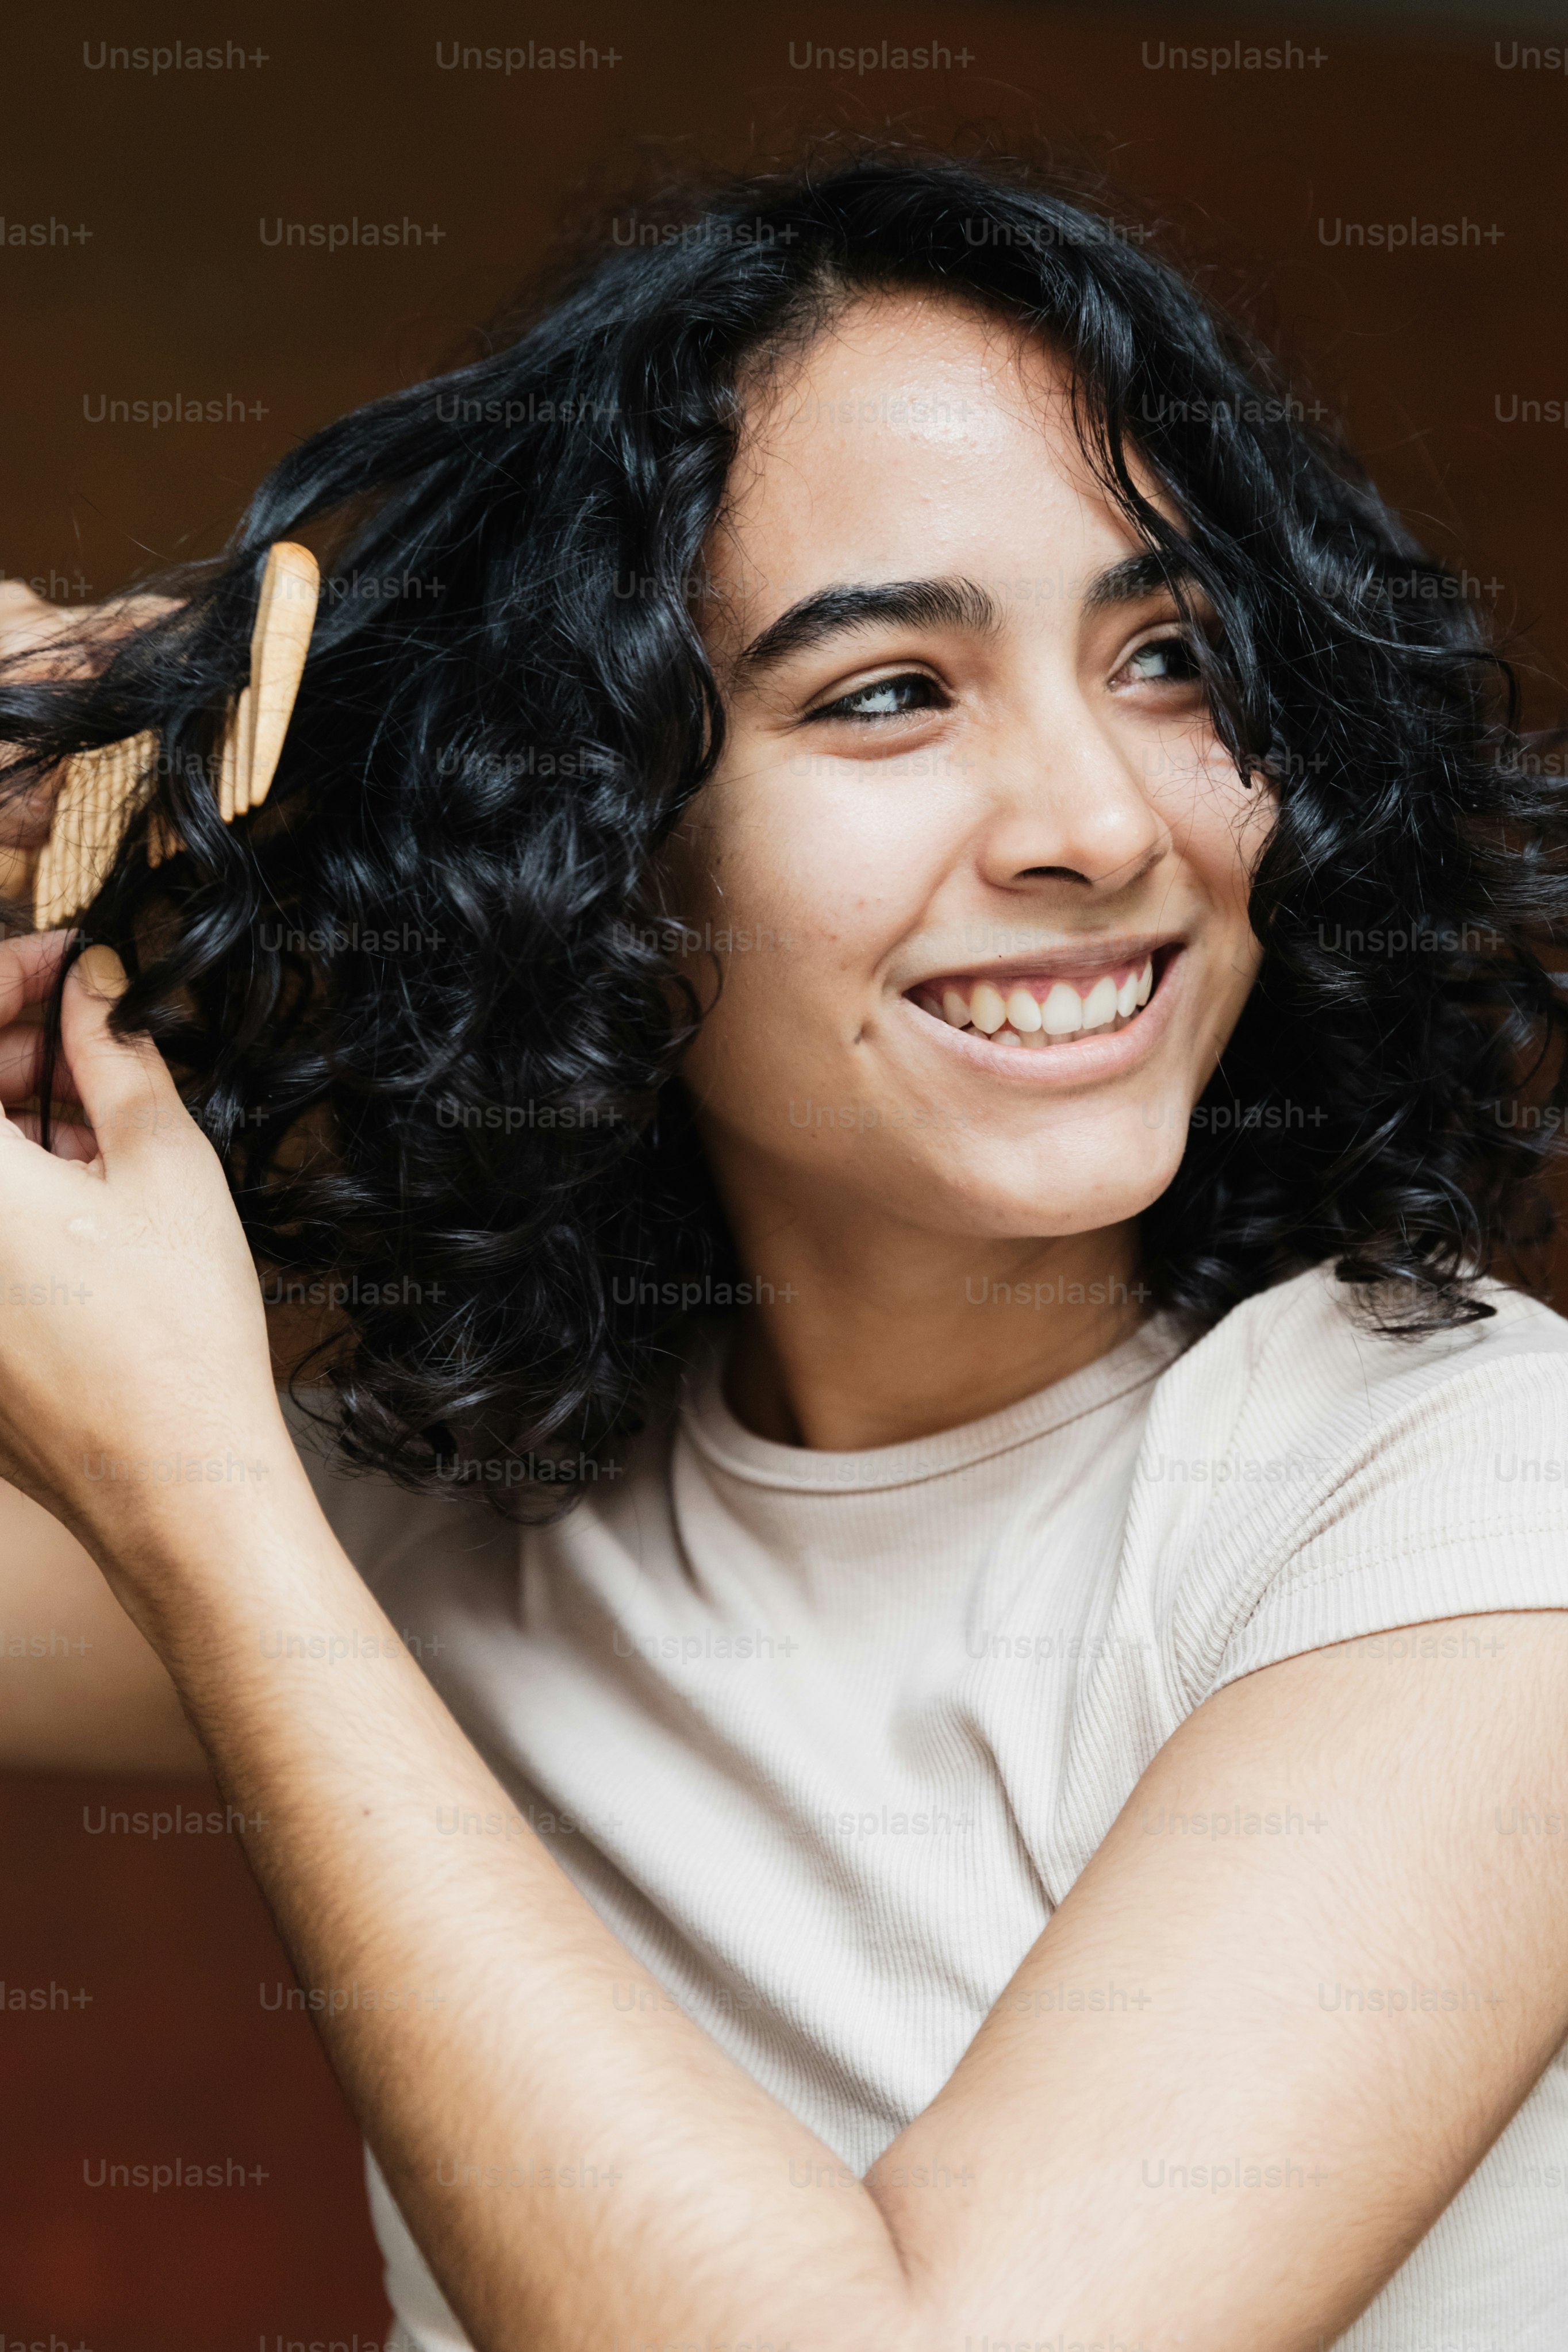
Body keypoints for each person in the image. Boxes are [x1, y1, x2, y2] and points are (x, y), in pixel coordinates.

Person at [2, 146, 1567, 2352]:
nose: (1099, 822)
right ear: (586, 828)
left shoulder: (1474, 1492)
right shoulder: (462, 1521)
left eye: (1172, 658)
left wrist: (199, 1498)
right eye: (890, 692)